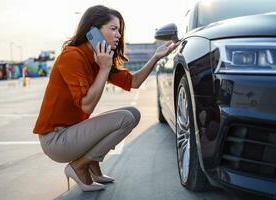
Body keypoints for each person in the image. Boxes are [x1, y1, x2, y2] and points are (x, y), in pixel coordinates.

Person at [33, 5, 178, 192]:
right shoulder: (72, 56)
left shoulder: (99, 57)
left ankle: (91, 163)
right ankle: (79, 166)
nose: (118, 35)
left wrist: (156, 57)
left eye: (120, 30)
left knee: (133, 113)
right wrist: (104, 68)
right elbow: (87, 106)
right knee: (125, 119)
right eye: (113, 29)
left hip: (72, 132)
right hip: (56, 140)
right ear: (93, 30)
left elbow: (133, 82)